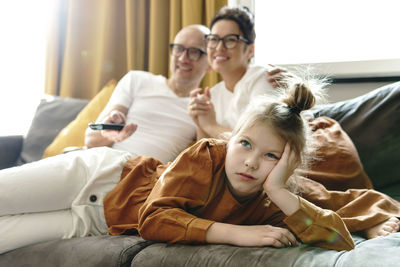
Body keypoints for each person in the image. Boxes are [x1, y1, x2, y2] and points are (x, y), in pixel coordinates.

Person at [1, 76, 360, 254]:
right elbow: (154, 218)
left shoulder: (277, 203)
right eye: (245, 144)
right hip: (99, 174)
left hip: (94, 221)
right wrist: (236, 233)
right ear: (230, 139)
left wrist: (279, 189)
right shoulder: (207, 155)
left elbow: (339, 239)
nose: (250, 162)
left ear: (288, 163)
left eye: (271, 156)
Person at [84, 24, 211, 163]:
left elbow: (203, 163)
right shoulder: (137, 80)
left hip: (142, 178)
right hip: (97, 162)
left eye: (194, 52)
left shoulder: (203, 108)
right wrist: (110, 134)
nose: (182, 58)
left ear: (210, 62)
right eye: (179, 49)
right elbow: (90, 140)